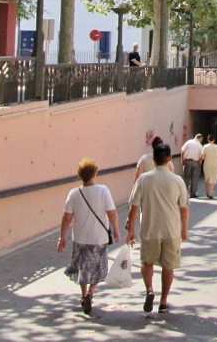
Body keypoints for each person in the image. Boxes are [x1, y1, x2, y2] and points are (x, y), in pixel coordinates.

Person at [126, 143, 189, 314]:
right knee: (168, 266)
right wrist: (184, 229)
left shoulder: (143, 179)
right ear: (169, 159)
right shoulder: (177, 181)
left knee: (147, 262)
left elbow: (134, 207)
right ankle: (163, 301)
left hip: (149, 229)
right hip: (171, 230)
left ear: (153, 160)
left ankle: (149, 290)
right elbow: (184, 208)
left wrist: (130, 229)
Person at [57, 157, 121, 315]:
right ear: (95, 173)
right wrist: (116, 230)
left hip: (80, 237)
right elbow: (111, 213)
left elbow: (67, 217)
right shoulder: (103, 190)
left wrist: (62, 237)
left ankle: (83, 293)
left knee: (82, 267)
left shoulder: (74, 193)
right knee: (97, 268)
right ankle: (90, 293)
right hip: (99, 238)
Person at [179, 132, 204, 197]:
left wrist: (182, 160)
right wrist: (200, 164)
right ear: (200, 138)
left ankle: (184, 193)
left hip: (187, 161)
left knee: (186, 177)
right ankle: (193, 193)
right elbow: (201, 156)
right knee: (195, 178)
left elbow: (182, 150)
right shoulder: (200, 146)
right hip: (196, 162)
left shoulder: (188, 142)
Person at [200, 134, 217, 198]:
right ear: (214, 140)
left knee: (207, 178)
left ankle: (207, 192)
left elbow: (202, 156)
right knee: (213, 178)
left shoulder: (205, 146)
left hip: (207, 163)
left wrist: (205, 158)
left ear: (208, 139)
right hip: (215, 164)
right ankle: (210, 193)